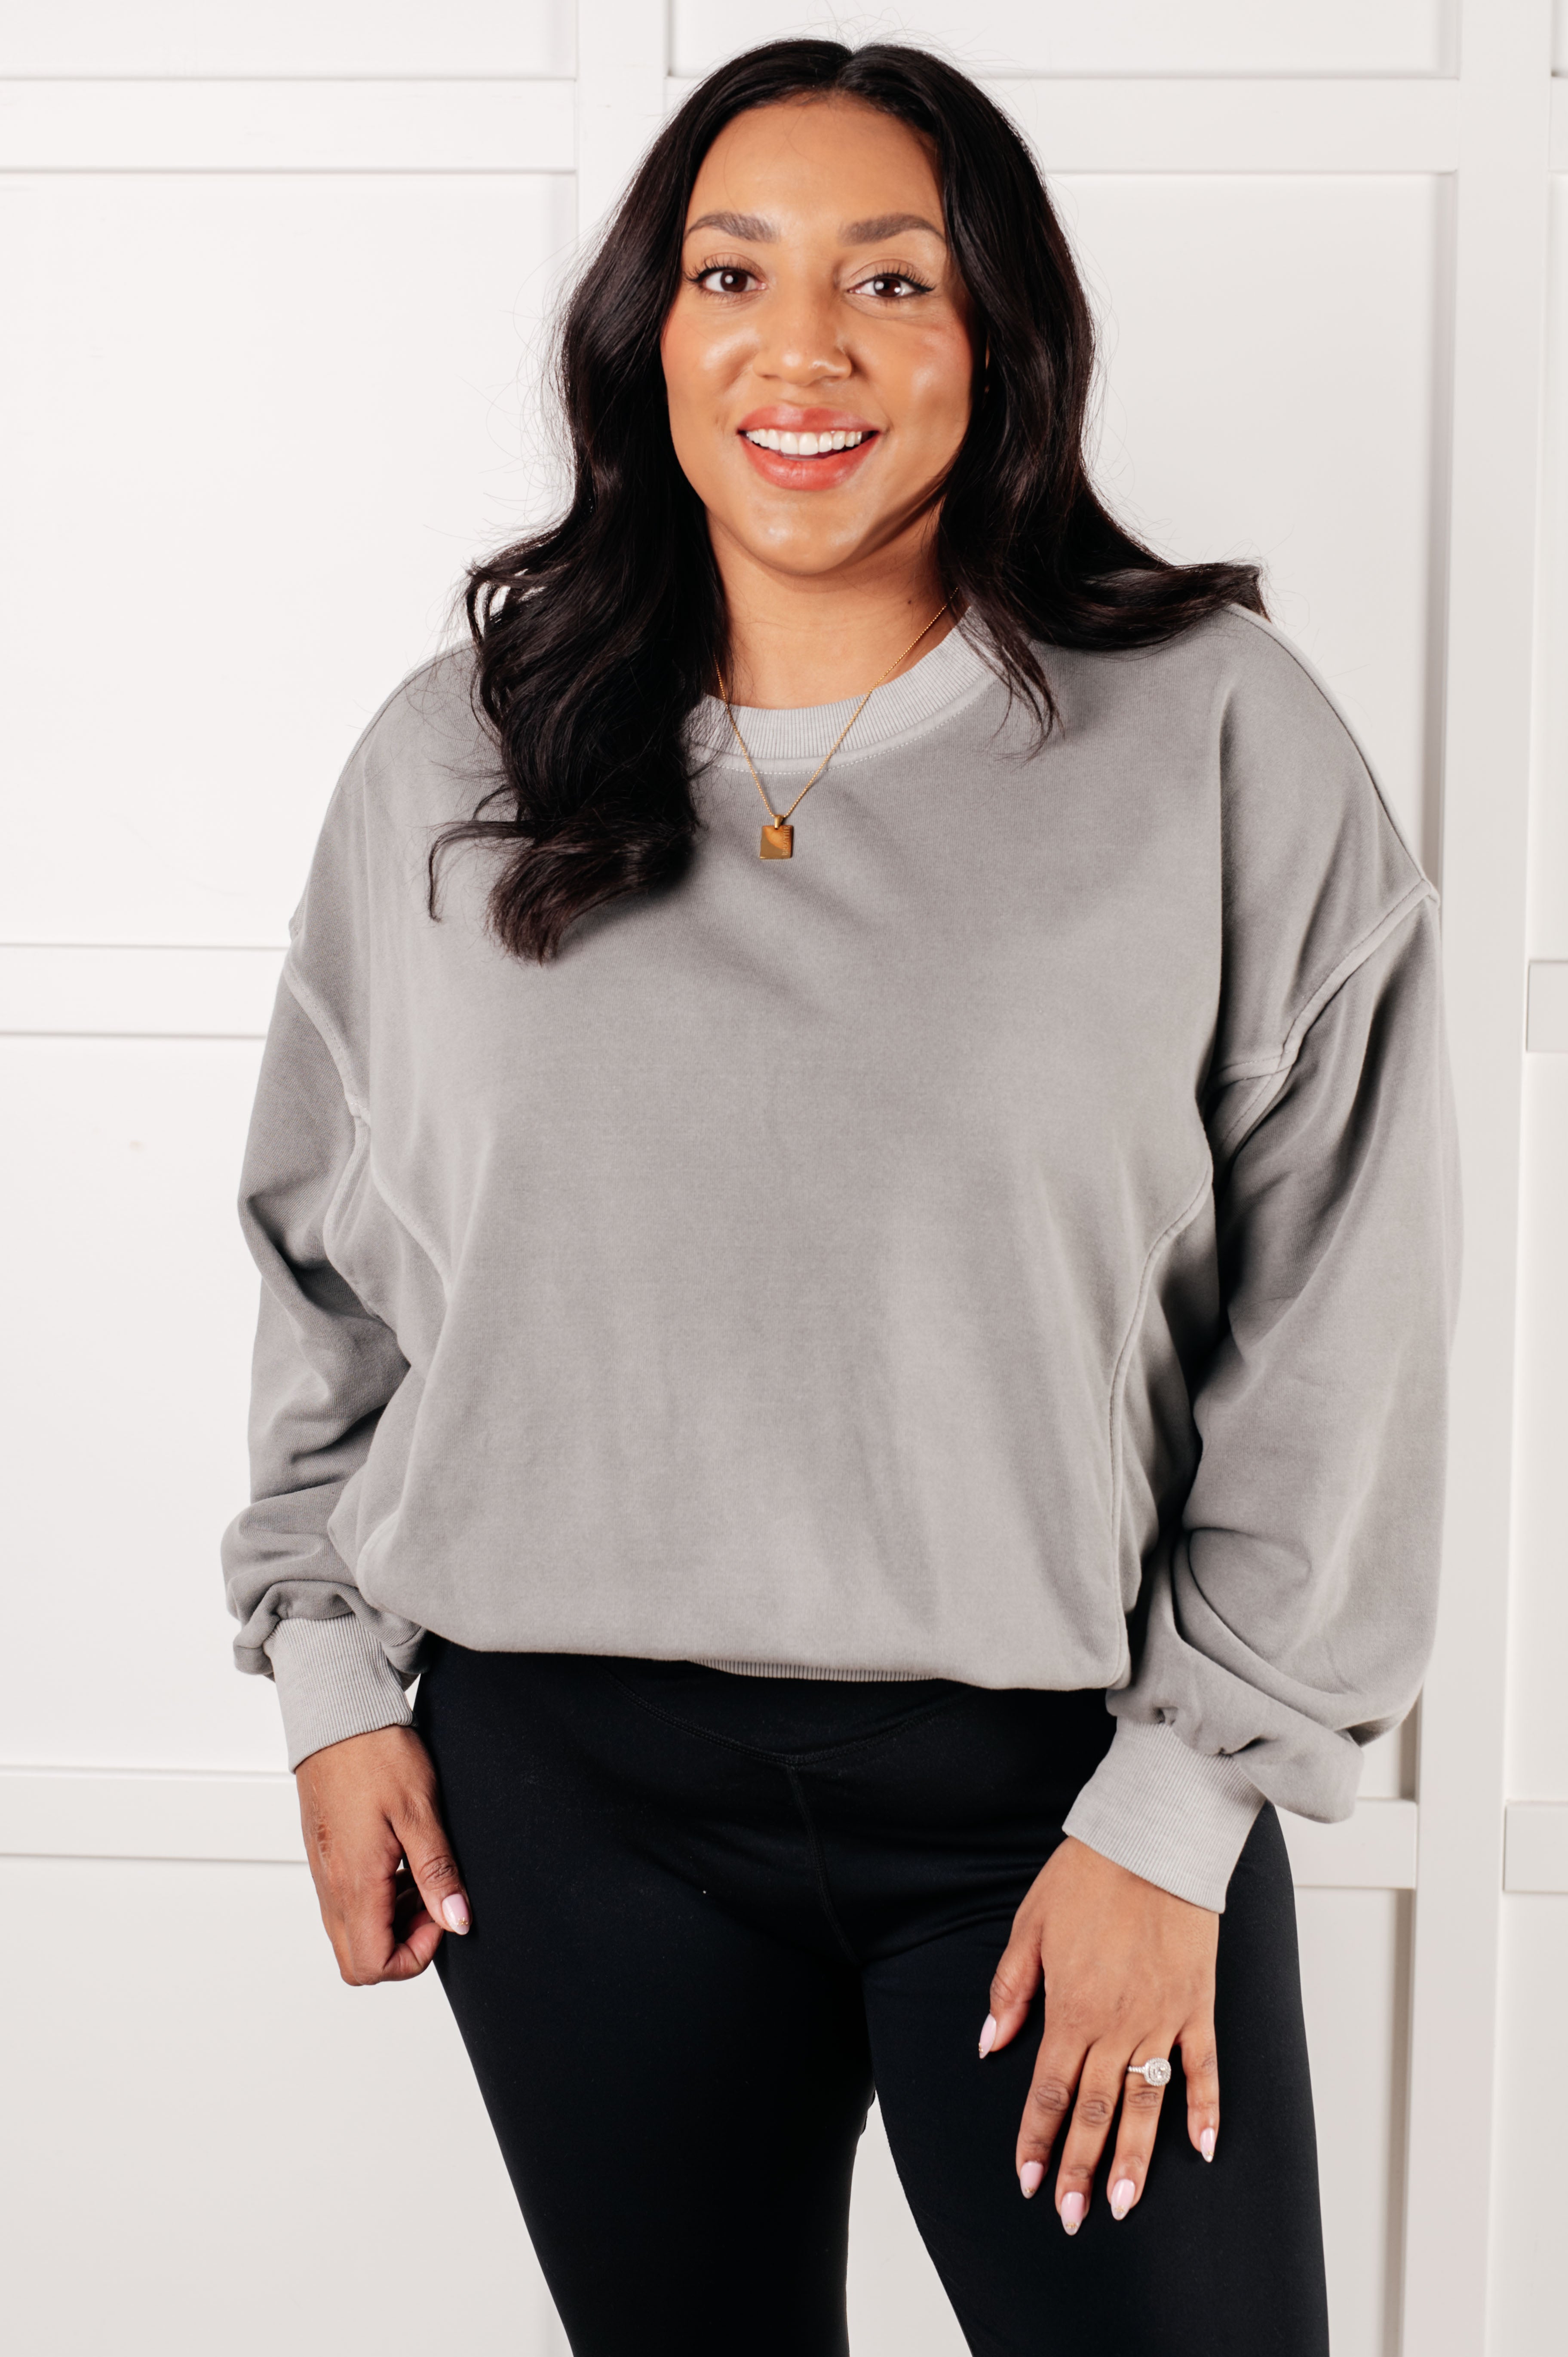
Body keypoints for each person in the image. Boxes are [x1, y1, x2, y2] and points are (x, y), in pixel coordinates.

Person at [223, 38, 1458, 2357]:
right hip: (557, 1799)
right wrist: (327, 1678)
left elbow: (1346, 1310)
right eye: (732, 272)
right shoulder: (453, 753)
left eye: (894, 279)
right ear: (651, 340)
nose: (806, 347)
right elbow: (334, 1252)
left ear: (997, 343)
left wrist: (1182, 1815)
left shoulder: (1213, 734)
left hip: (1054, 1797)